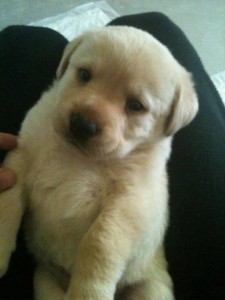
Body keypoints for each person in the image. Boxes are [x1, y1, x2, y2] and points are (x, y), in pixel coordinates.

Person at [0, 12, 224, 300]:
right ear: (65, 63)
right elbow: (19, 163)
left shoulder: (146, 153)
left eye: (134, 105)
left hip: (138, 280)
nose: (87, 119)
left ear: (170, 122)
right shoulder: (45, 114)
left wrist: (93, 285)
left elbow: (130, 211)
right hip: (51, 271)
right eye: (84, 75)